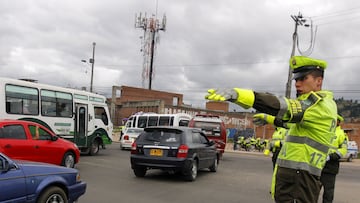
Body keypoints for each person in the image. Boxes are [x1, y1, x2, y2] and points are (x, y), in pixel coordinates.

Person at [205, 56, 337, 203]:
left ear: (319, 81)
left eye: (303, 79)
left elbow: (284, 106)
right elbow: (290, 124)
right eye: (295, 80)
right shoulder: (312, 109)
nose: (297, 84)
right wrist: (268, 119)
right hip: (295, 179)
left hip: (299, 181)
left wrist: (242, 95)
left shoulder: (320, 105)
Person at [320, 115, 348, 203]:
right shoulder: (324, 131)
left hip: (331, 166)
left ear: (338, 122)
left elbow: (343, 150)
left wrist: (330, 157)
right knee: (313, 190)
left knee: (328, 191)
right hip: (319, 164)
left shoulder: (341, 134)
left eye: (334, 120)